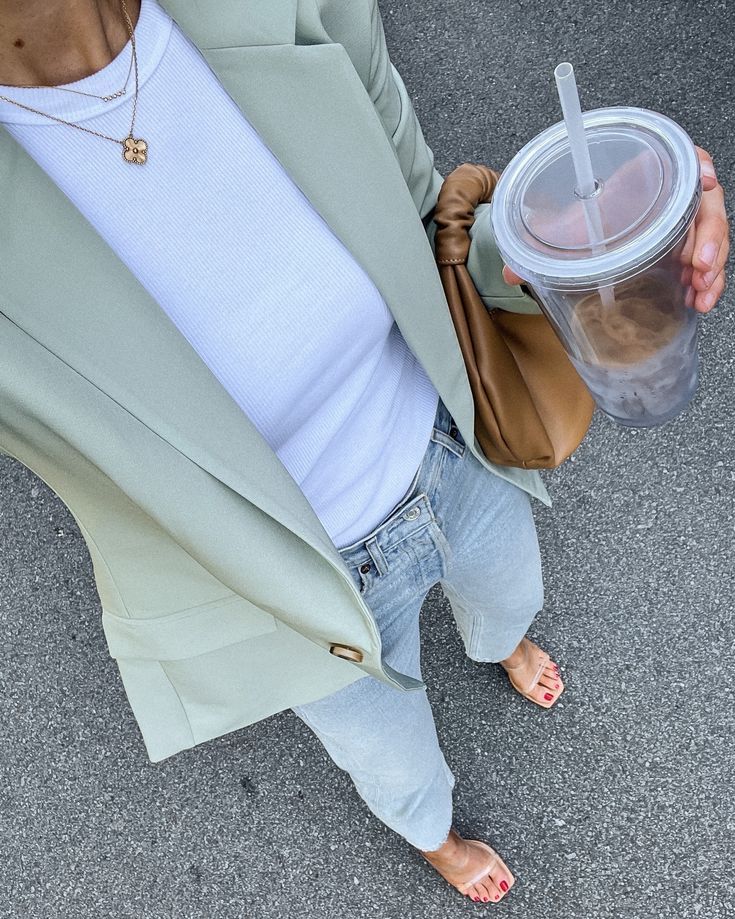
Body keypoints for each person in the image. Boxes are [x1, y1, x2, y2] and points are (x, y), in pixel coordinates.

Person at [0, 0, 728, 905]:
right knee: (390, 757)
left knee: (509, 595)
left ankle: (497, 644)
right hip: (283, 589)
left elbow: (426, 218)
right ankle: (437, 837)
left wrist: (593, 238)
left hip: (446, 443)